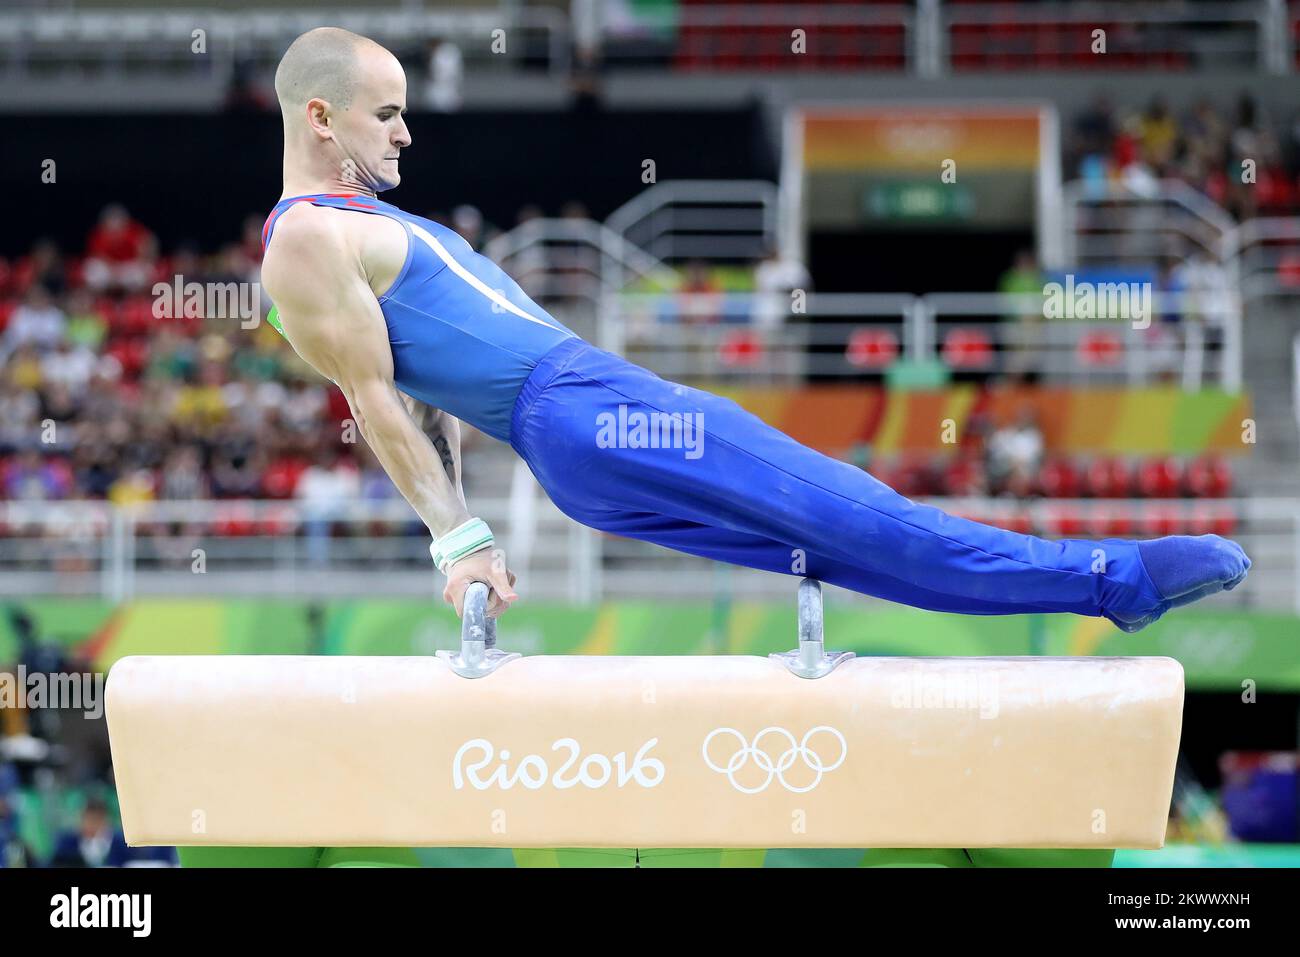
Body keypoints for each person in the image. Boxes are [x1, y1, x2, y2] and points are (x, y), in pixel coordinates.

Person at [260, 28, 1250, 631]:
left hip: (573, 429)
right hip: (580, 408)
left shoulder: (357, 222)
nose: (406, 131)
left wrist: (466, 522)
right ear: (320, 116)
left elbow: (418, 399)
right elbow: (372, 399)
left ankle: (1098, 588)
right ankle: (1111, 578)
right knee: (853, 512)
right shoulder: (306, 235)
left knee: (839, 545)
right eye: (386, 114)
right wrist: (460, 542)